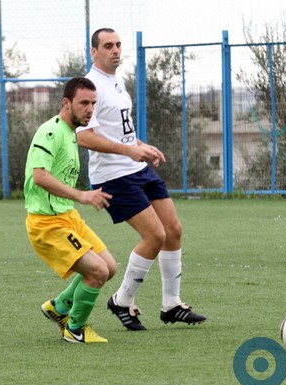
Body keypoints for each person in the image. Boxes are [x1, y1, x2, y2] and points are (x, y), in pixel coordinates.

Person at [77, 28, 207, 331]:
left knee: (173, 229)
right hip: (112, 176)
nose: (116, 50)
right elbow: (85, 137)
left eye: (118, 45)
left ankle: (171, 304)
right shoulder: (91, 85)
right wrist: (129, 150)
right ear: (94, 51)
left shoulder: (116, 82)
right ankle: (122, 300)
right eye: (108, 46)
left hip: (135, 168)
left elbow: (120, 130)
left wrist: (140, 145)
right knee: (154, 236)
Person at [25, 77, 117, 344]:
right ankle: (75, 329)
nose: (90, 109)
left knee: (108, 267)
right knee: (97, 272)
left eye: (93, 103)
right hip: (47, 224)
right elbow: (40, 176)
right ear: (66, 103)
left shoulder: (71, 132)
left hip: (68, 217)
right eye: (84, 103)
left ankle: (59, 307)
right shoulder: (51, 132)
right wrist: (82, 195)